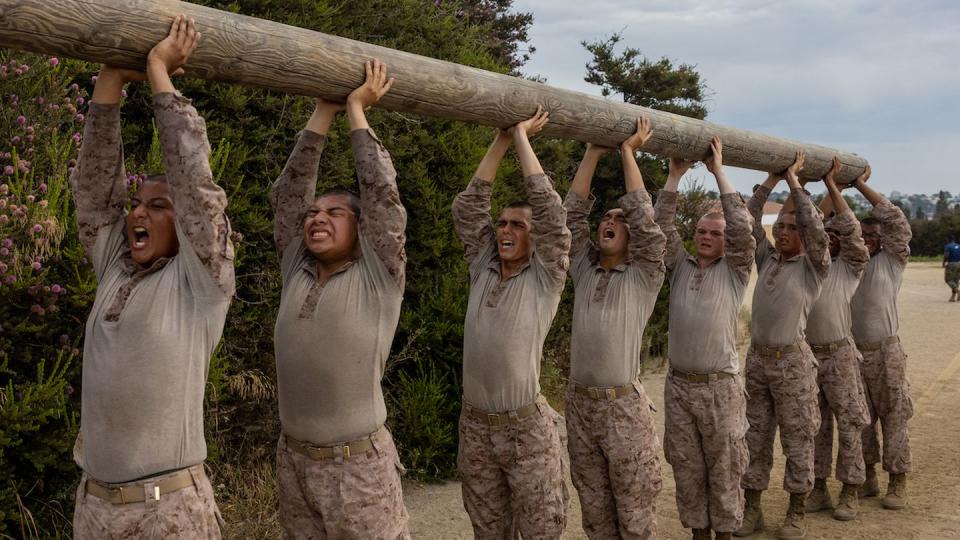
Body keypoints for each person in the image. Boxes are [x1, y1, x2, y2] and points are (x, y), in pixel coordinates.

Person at [70, 16, 234, 538]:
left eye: (157, 206)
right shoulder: (115, 272)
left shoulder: (201, 282)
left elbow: (196, 189)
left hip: (169, 513)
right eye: (136, 204)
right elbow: (96, 195)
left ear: (182, 225)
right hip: (95, 507)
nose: (137, 214)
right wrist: (111, 82)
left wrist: (161, 77)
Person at [270, 59, 411, 538]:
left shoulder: (379, 274)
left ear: (362, 226)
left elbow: (382, 195)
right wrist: (321, 114)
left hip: (358, 468)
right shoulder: (296, 268)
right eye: (313, 213)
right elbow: (289, 193)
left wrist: (357, 111)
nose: (316, 218)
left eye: (334, 212)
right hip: (294, 464)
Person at [452, 106, 571, 539]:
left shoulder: (546, 276)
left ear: (534, 237)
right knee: (488, 530)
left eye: (517, 225)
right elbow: (468, 210)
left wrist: (522, 137)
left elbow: (553, 218)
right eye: (501, 223)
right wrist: (500, 140)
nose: (505, 229)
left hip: (526, 429)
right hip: (476, 427)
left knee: (541, 530)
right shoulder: (482, 267)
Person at [562, 117, 666, 538]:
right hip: (579, 406)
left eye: (620, 220)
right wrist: (592, 151)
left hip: (622, 407)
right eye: (606, 217)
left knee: (634, 512)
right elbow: (569, 219)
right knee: (596, 512)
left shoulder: (645, 274)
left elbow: (647, 225)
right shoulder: (584, 271)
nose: (611, 222)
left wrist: (628, 151)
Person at [653, 137, 753, 540]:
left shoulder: (736, 270)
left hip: (719, 388)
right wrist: (674, 177)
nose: (706, 236)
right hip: (679, 387)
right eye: (701, 230)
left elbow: (744, 228)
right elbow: (660, 226)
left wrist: (718, 171)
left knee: (725, 467)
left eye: (714, 232)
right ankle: (698, 533)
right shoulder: (680, 265)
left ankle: (726, 534)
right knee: (687, 467)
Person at [736, 152, 830, 540]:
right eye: (783, 226)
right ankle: (752, 509)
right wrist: (772, 180)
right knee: (754, 437)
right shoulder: (766, 258)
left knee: (797, 439)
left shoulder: (814, 265)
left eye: (793, 227)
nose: (786, 231)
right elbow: (748, 220)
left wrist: (796, 184)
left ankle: (796, 511)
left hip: (792, 362)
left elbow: (816, 230)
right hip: (757, 361)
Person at [798, 159, 871, 521]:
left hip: (839, 354)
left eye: (835, 236)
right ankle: (820, 487)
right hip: (807, 356)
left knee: (850, 423)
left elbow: (853, 232)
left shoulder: (851, 265)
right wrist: (830, 188)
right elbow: (808, 224)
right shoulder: (807, 264)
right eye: (827, 235)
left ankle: (851, 489)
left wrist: (834, 189)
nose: (831, 239)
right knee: (816, 425)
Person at [848, 165, 914, 510]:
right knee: (861, 420)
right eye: (863, 236)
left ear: (882, 240)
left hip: (886, 351)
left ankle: (898, 480)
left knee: (894, 416)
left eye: (873, 236)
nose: (868, 241)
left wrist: (859, 186)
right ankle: (868, 476)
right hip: (854, 354)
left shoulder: (892, 260)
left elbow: (898, 220)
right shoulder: (848, 263)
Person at [944, 237, 960, 301]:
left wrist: (944, 262)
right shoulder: (959, 246)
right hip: (959, 263)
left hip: (951, 264)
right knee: (956, 280)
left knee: (948, 279)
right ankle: (953, 297)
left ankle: (958, 291)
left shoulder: (948, 246)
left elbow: (946, 255)